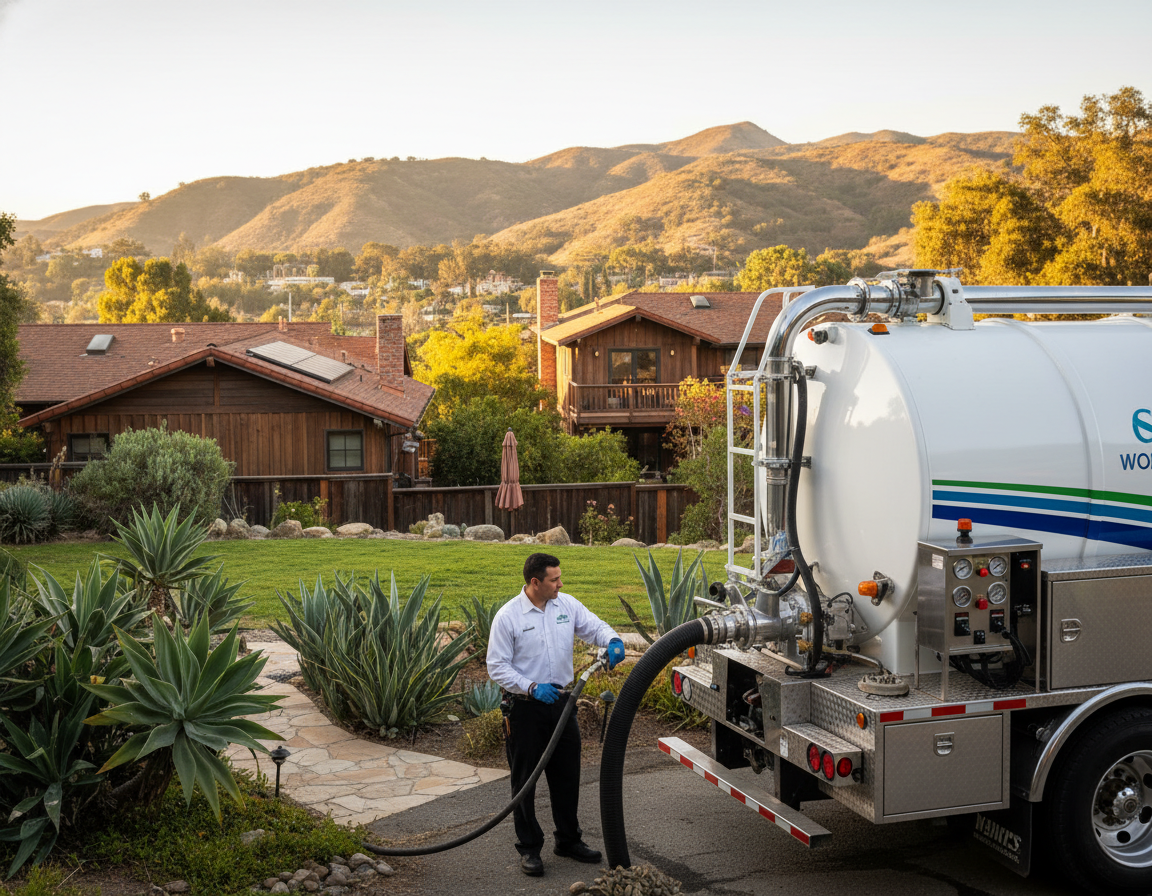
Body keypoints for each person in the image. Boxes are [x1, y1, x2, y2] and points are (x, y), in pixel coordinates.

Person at [487, 552, 626, 877]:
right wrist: (531, 687)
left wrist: (613, 640)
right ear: (535, 582)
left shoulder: (566, 606)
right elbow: (496, 666)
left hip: (562, 703)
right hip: (525, 708)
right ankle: (530, 848)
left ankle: (568, 839)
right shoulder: (508, 617)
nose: (560, 584)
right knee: (525, 781)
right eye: (554, 579)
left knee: (566, 776)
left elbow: (595, 627)